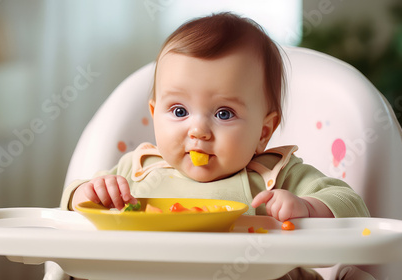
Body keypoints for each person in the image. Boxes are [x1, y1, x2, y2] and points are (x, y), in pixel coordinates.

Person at [60, 12, 373, 280]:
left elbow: (351, 205)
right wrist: (89, 194)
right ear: (155, 115)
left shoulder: (273, 176)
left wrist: (307, 209)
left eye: (224, 113)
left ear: (264, 132)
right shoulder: (138, 170)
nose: (198, 130)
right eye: (179, 111)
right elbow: (71, 212)